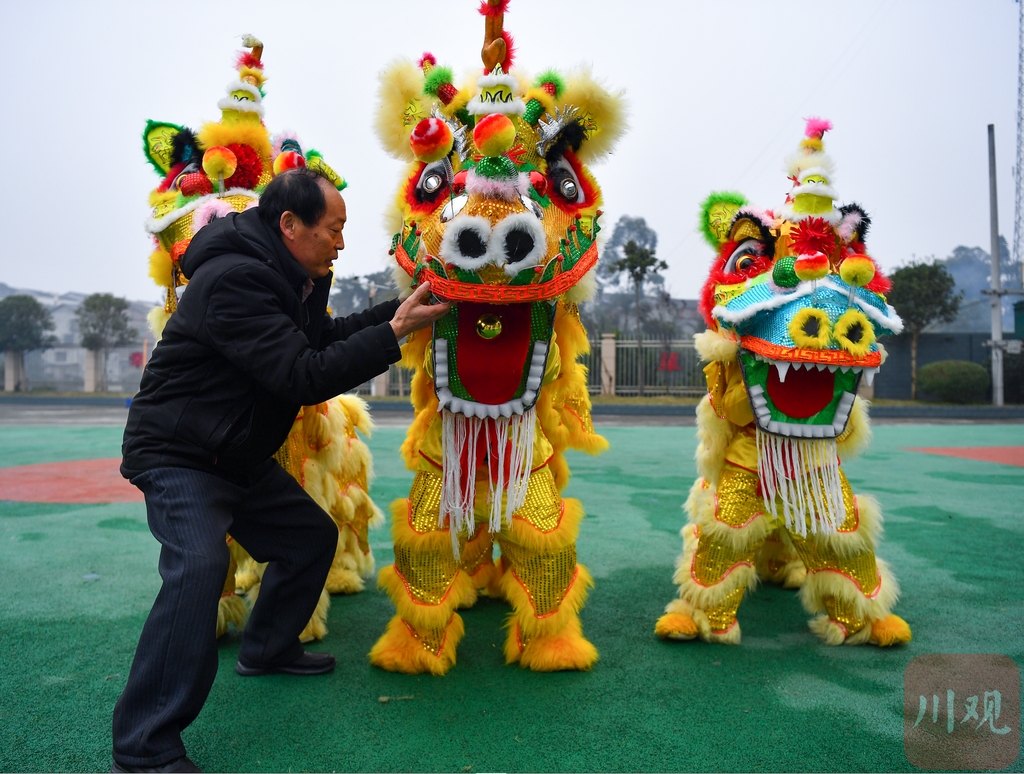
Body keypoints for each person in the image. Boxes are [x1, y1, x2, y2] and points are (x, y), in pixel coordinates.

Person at [112, 168, 449, 773]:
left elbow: (322, 339)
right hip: (180, 453)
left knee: (308, 536)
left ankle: (265, 649)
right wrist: (395, 334)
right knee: (198, 566)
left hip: (232, 453)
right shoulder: (236, 279)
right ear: (289, 224)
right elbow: (303, 375)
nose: (341, 243)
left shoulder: (295, 277)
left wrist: (399, 313)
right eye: (334, 229)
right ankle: (144, 744)